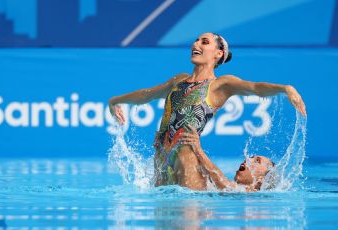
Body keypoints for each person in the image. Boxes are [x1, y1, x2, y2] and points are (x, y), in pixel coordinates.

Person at [109, 32, 306, 190]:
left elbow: (254, 87)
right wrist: (116, 100)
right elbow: (147, 94)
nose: (196, 45)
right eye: (196, 41)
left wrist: (284, 88)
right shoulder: (178, 80)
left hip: (186, 152)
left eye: (204, 42)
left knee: (189, 213)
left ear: (218, 53)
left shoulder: (220, 84)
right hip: (161, 154)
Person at [180, 124, 275, 192]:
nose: (248, 159)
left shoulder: (250, 192)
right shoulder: (240, 191)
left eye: (257, 161)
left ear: (260, 179)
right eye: (251, 157)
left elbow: (223, 183)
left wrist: (198, 149)